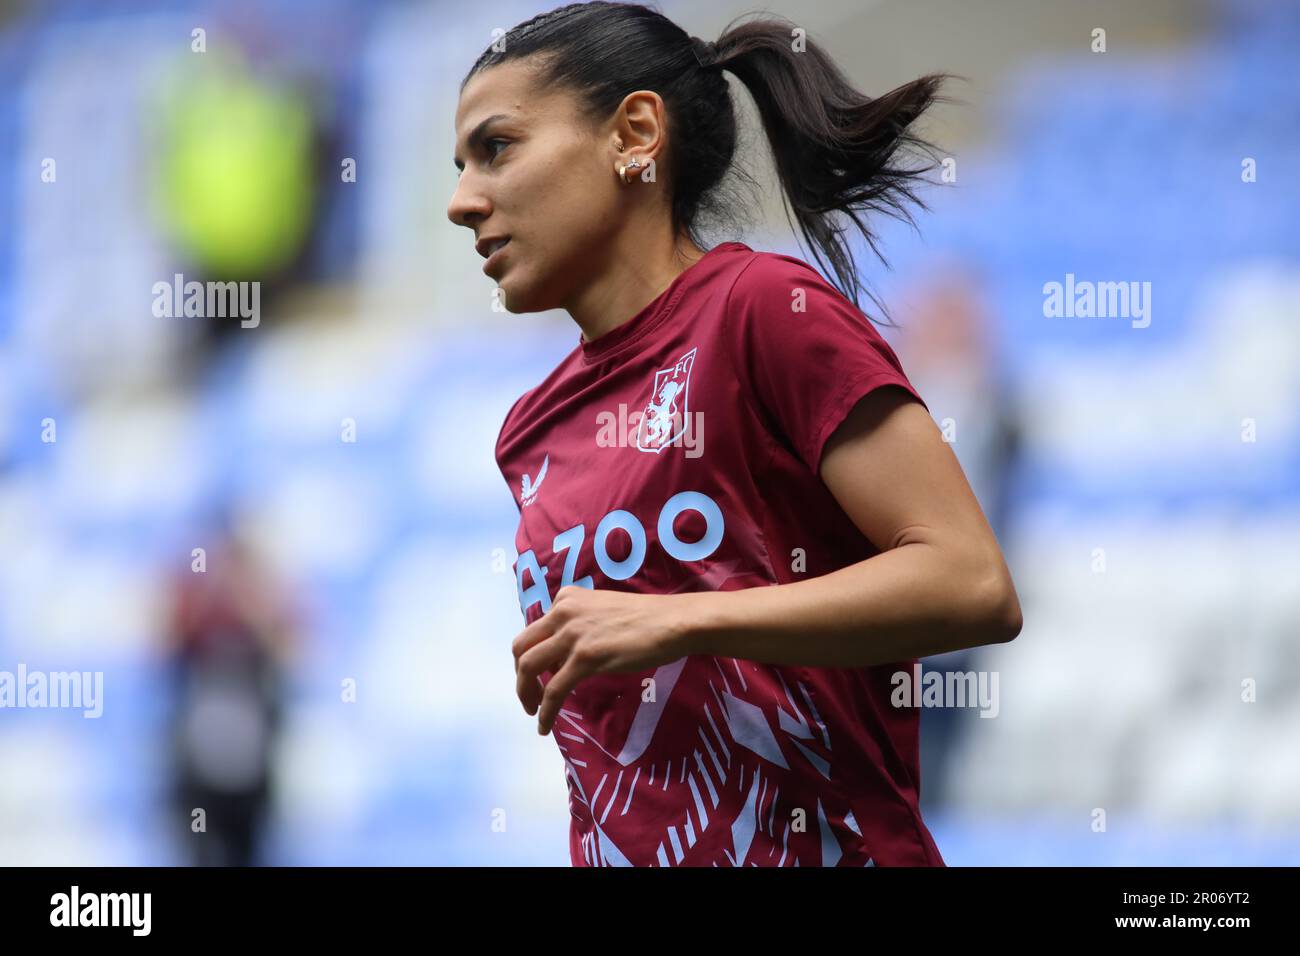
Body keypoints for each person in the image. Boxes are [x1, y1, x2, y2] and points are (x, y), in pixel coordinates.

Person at [447, 2, 1021, 867]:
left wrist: (682, 622)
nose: (461, 201)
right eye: (459, 165)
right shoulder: (530, 430)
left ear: (635, 133)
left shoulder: (762, 313)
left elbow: (971, 582)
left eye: (497, 148)